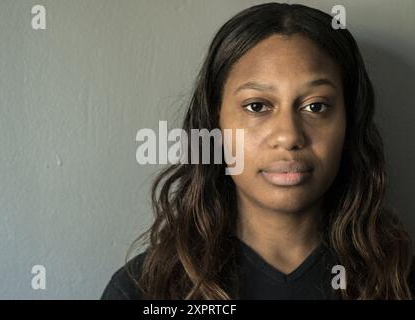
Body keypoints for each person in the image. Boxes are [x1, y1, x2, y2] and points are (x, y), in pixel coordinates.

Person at [101, 2, 415, 299]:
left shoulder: (401, 281)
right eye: (257, 106)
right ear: (216, 122)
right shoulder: (145, 288)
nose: (289, 136)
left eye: (315, 106)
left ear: (349, 122)